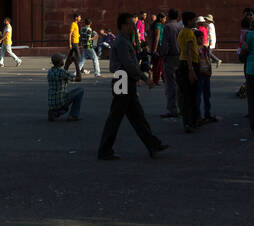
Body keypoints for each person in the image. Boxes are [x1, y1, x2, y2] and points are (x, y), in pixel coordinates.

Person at [97, 13, 168, 160]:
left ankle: (152, 144)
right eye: (130, 24)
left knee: (136, 116)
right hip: (122, 79)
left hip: (123, 79)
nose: (133, 26)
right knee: (118, 117)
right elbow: (129, 64)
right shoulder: (122, 42)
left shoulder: (124, 40)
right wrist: (144, 78)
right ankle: (105, 150)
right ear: (123, 25)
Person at [159, 9, 183, 118]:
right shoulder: (180, 27)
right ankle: (181, 107)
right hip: (180, 57)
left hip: (170, 58)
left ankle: (172, 109)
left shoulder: (168, 27)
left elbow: (166, 44)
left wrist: (163, 56)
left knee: (170, 85)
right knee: (179, 84)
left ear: (168, 16)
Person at [46, 53, 84, 121]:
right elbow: (79, 79)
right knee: (80, 90)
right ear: (60, 62)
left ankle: (55, 112)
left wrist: (68, 65)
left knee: (65, 97)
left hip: (52, 103)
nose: (63, 61)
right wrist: (76, 63)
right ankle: (73, 115)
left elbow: (63, 73)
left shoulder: (50, 71)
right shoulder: (62, 72)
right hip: (61, 102)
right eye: (62, 60)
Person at [195, 28, 217, 123]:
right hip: (200, 74)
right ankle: (198, 116)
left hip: (206, 73)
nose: (201, 39)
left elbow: (208, 60)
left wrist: (210, 71)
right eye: (200, 38)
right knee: (198, 96)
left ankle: (207, 114)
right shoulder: (195, 49)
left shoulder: (205, 48)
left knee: (207, 95)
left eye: (202, 38)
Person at [66, 13, 83, 77]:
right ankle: (82, 69)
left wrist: (78, 35)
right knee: (79, 56)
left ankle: (65, 68)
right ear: (76, 18)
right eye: (79, 17)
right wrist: (70, 43)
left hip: (75, 42)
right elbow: (70, 34)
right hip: (74, 43)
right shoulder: (73, 24)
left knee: (70, 57)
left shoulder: (76, 24)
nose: (80, 18)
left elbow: (74, 33)